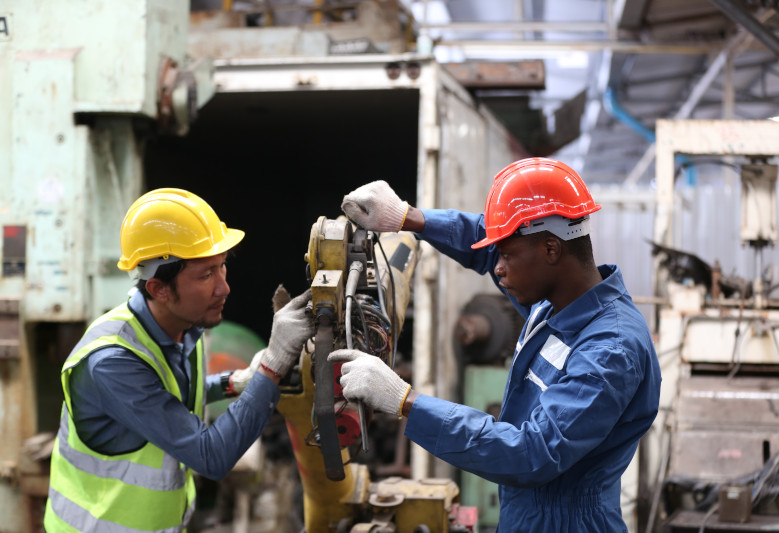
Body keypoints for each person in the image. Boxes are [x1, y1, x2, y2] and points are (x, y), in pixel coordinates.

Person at [330, 158, 662, 532]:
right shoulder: (555, 300)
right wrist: (407, 218)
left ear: (552, 249)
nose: (498, 268)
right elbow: (486, 243)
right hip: (525, 517)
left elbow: (532, 453)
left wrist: (404, 401)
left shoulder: (610, 349)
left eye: (506, 256)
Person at [44, 188, 313, 532]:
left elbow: (169, 396)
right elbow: (210, 456)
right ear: (158, 289)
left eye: (222, 267)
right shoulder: (112, 363)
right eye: (205, 275)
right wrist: (272, 365)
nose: (224, 287)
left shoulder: (183, 326)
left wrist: (237, 382)